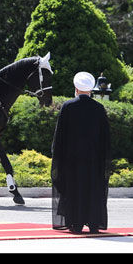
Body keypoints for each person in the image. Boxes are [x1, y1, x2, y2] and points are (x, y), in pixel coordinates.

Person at [51, 72, 112, 234]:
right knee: (92, 189)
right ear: (91, 90)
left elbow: (60, 136)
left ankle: (75, 223)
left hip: (72, 160)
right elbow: (106, 138)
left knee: (74, 189)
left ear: (76, 88)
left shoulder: (68, 106)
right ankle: (93, 222)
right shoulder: (99, 108)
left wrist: (57, 157)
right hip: (93, 160)